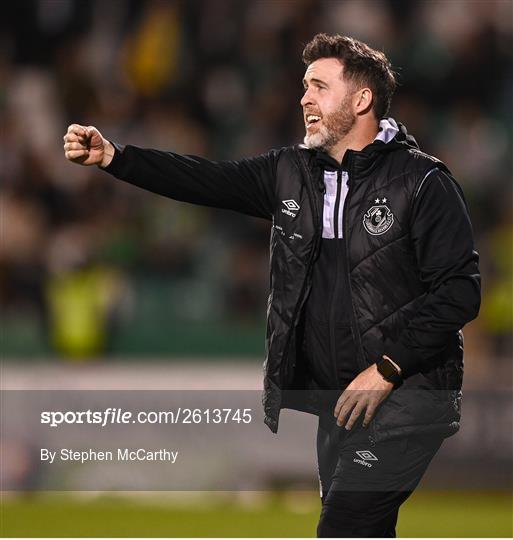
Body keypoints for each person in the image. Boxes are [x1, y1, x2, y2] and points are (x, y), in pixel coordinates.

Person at [63, 33, 481, 538]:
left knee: (345, 527)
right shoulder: (290, 173)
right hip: (343, 403)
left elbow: (460, 290)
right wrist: (115, 157)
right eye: (304, 86)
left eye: (320, 87)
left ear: (362, 99)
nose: (304, 98)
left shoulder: (423, 182)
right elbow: (205, 179)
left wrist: (388, 368)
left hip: (407, 395)